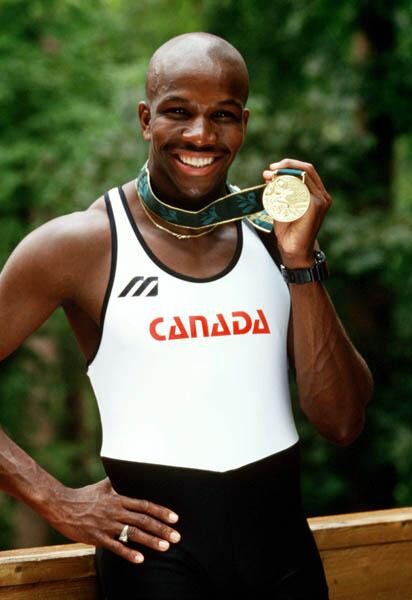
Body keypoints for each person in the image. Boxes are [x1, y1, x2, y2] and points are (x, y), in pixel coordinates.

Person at [0, 32, 372, 599]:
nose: (201, 134)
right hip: (155, 566)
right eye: (178, 111)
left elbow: (341, 421)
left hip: (284, 560)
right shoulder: (82, 244)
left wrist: (302, 263)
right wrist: (55, 499)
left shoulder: (276, 237)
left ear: (243, 124)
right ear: (146, 119)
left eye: (222, 115)